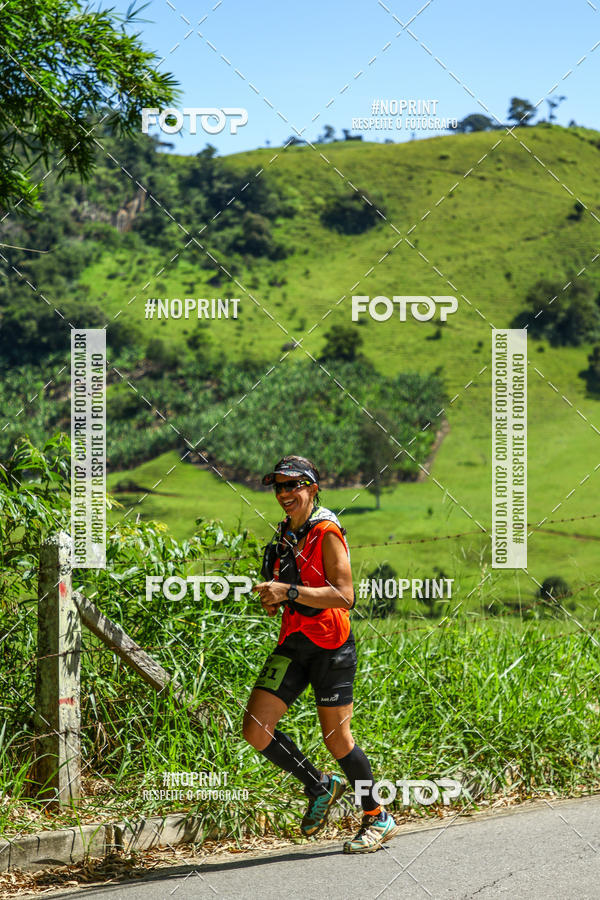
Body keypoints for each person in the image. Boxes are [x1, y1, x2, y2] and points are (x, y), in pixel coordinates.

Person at [243, 454, 399, 853]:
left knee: (338, 739)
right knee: (255, 728)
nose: (283, 493)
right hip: (293, 643)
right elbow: (288, 587)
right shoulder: (284, 535)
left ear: (312, 488)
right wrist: (274, 598)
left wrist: (289, 592)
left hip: (331, 645)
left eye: (292, 485)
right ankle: (319, 785)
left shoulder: (326, 531)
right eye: (278, 487)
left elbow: (345, 596)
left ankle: (375, 815)